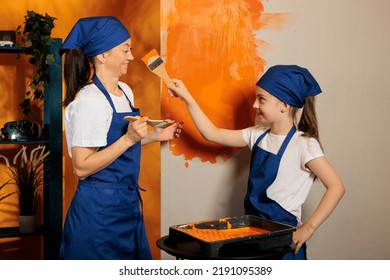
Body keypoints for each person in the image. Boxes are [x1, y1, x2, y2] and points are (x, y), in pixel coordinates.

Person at [167, 65, 345, 260]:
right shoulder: (256, 135)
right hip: (253, 237)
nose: (254, 105)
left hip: (284, 245)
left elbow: (336, 187)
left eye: (262, 99)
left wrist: (309, 228)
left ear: (284, 106)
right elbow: (211, 134)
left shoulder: (303, 145)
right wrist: (186, 97)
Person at [59, 16, 182, 260]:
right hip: (98, 213)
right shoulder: (89, 102)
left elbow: (115, 142)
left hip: (126, 206)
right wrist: (128, 139)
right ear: (103, 55)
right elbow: (82, 167)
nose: (131, 57)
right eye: (125, 50)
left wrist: (153, 135)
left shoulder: (125, 91)